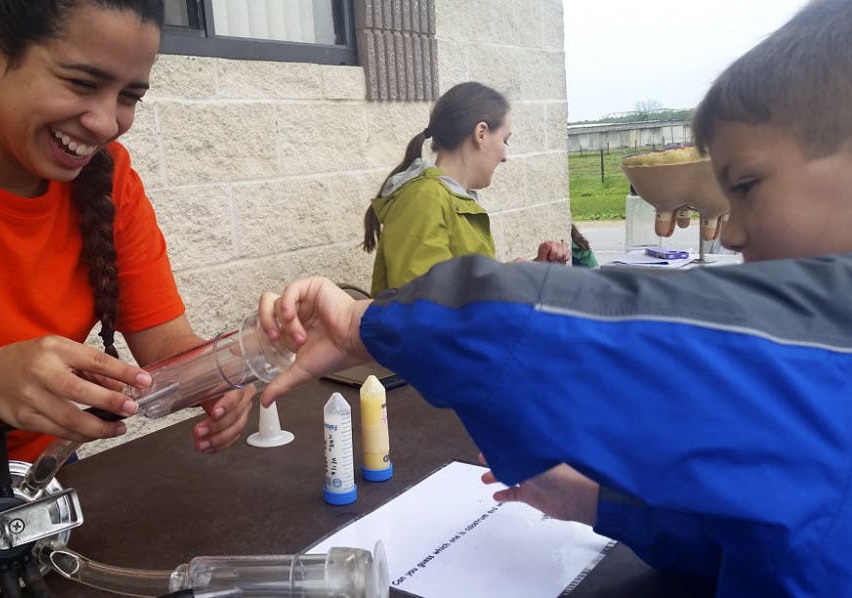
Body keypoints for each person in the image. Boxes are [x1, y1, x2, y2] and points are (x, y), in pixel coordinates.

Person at [257, 0, 852, 594]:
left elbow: (612, 330)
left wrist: (370, 323)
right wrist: (603, 505)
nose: (737, 229)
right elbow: (755, 532)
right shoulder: (424, 197)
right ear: (480, 133)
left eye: (746, 185)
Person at [0, 0, 253, 496]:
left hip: (38, 482)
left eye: (129, 96)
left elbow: (164, 345)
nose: (106, 124)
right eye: (82, 83)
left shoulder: (108, 178)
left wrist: (217, 373)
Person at [362, 81, 570, 296]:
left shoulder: (448, 198)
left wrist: (527, 272)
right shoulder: (424, 199)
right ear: (481, 133)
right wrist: (508, 280)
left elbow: (461, 289)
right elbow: (424, 309)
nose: (505, 156)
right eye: (504, 140)